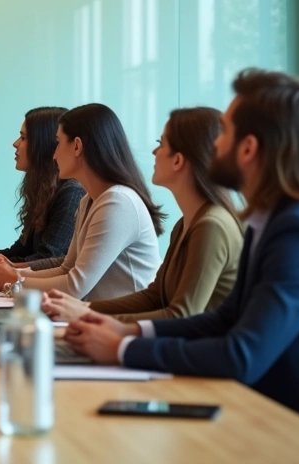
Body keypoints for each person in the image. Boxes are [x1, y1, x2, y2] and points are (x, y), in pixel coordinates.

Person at [64, 69, 299, 438]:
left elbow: (241, 355)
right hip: (275, 410)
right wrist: (131, 330)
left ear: (248, 149)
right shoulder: (271, 219)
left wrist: (124, 348)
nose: (215, 143)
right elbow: (225, 319)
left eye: (226, 132)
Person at [44, 107, 242, 322]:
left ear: (178, 160)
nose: (154, 152)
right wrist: (85, 310)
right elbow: (154, 297)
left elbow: (181, 316)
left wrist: (89, 316)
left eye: (161, 144)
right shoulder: (184, 224)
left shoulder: (211, 225)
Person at [0, 103, 162, 301]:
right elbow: (67, 268)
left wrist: (14, 280)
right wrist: (14, 276)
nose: (54, 154)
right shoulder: (88, 200)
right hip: (94, 318)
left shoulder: (117, 202)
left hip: (121, 326)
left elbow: (75, 286)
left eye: (58, 143)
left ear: (77, 146)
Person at [0, 107, 84, 271]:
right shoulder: (45, 190)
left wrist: (2, 269)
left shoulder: (72, 192)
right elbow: (22, 250)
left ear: (44, 145)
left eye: (23, 138)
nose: (15, 143)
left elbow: (47, 258)